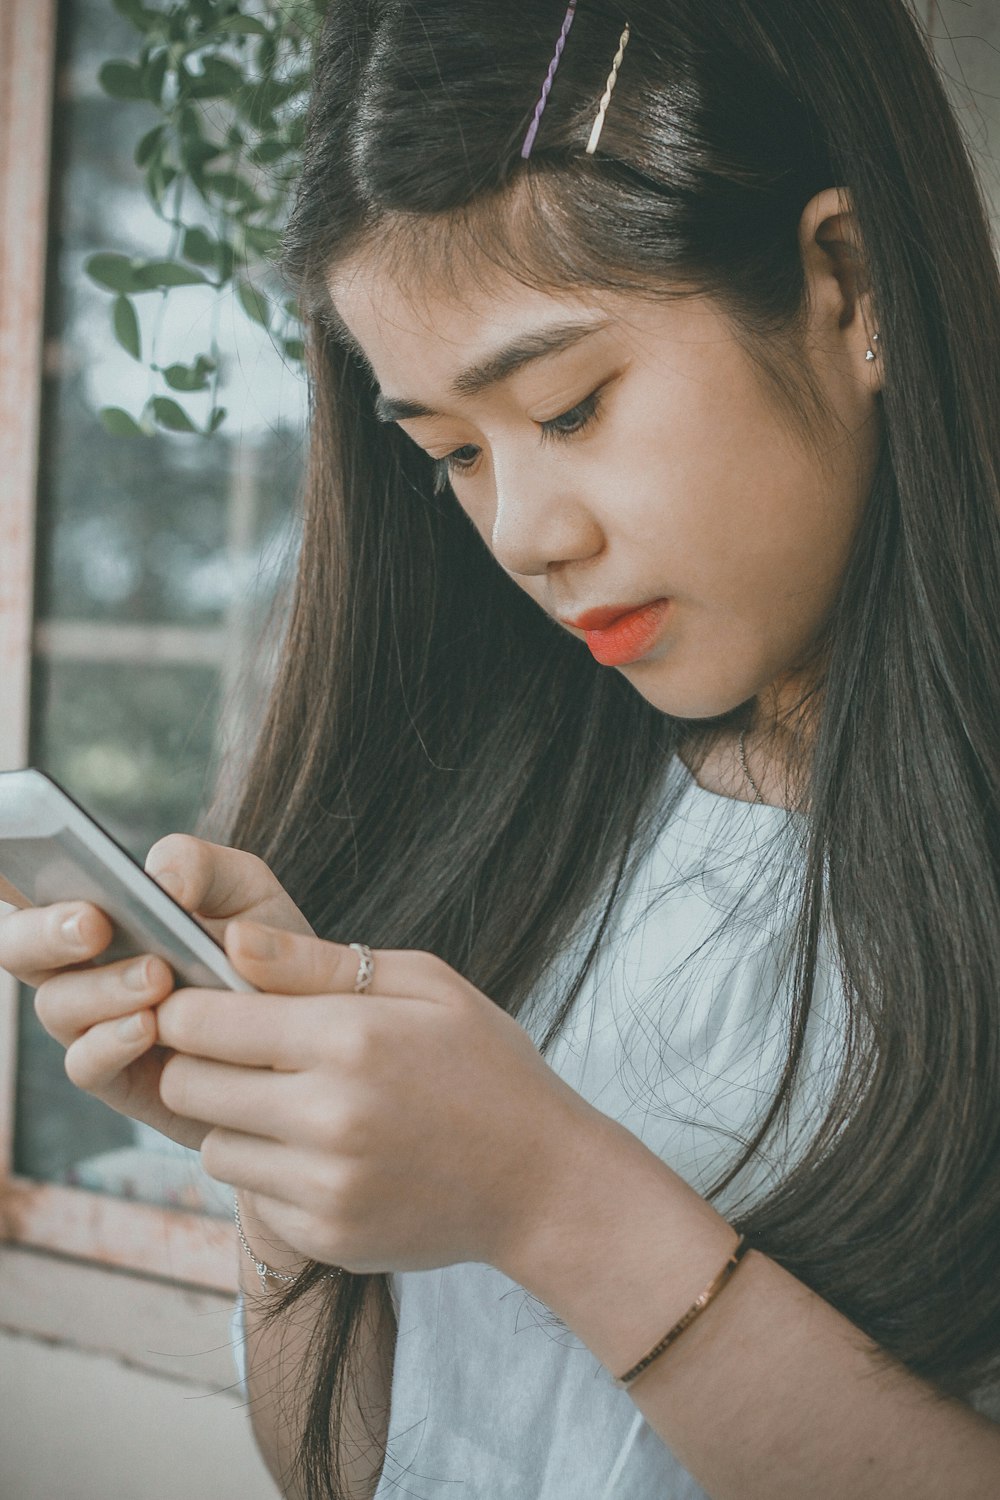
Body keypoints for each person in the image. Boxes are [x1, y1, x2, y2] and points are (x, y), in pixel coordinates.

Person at [3, 0, 1000, 1494]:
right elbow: (352, 1469)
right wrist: (288, 1181)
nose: (526, 537)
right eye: (453, 456)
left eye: (573, 405)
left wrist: (550, 1201)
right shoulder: (499, 816)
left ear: (845, 283)